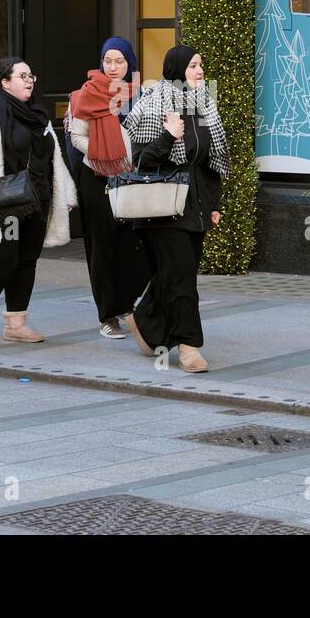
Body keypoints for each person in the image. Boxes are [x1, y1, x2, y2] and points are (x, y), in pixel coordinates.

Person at [121, 45, 230, 373]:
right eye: (193, 66)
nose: (200, 71)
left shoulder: (204, 105)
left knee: (177, 274)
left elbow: (208, 163)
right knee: (182, 278)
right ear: (177, 68)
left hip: (193, 205)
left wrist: (213, 204)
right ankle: (189, 348)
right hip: (162, 208)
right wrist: (168, 136)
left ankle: (143, 320)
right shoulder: (154, 102)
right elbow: (139, 161)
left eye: (201, 65)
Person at [0, 57, 76, 344]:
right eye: (22, 76)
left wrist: (65, 192)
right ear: (5, 82)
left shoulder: (37, 112)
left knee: (26, 260)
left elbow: (53, 155)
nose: (29, 80)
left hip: (37, 197)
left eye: (30, 75)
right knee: (1, 259)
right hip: (5, 200)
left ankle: (16, 324)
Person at [66, 37, 150, 338]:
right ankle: (107, 315)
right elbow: (77, 137)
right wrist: (106, 155)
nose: (113, 67)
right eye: (108, 61)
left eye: (120, 61)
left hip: (133, 179)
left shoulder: (143, 95)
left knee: (136, 244)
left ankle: (126, 303)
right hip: (96, 177)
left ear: (131, 64)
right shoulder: (85, 95)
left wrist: (130, 158)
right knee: (102, 247)